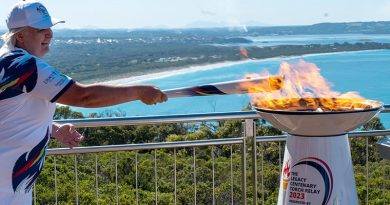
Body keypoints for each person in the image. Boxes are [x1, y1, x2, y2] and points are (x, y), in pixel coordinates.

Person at [0, 1, 168, 204]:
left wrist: (52, 129)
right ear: (20, 36)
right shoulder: (23, 65)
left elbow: (10, 113)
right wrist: (140, 92)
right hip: (6, 187)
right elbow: (83, 96)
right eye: (40, 29)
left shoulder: (6, 61)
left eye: (49, 28)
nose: (49, 34)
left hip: (13, 184)